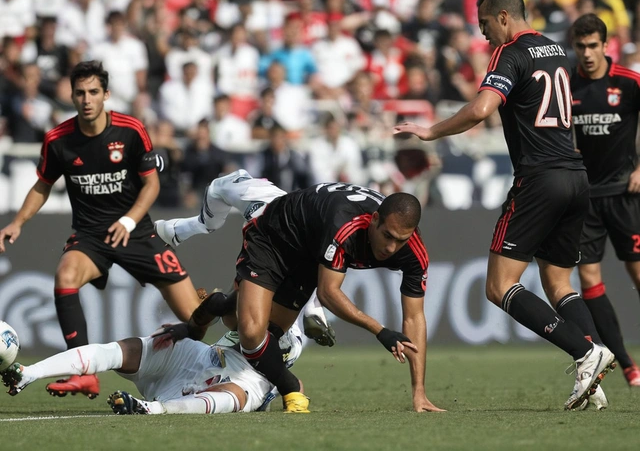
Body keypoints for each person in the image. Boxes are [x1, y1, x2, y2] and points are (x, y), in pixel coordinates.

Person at [393, 0, 615, 411]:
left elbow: (481, 110)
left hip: (540, 180)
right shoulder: (556, 51)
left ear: (503, 18)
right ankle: (594, 377)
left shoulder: (511, 52)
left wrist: (430, 131)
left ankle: (587, 353)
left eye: (485, 26)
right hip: (575, 177)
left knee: (499, 286)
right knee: (558, 283)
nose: (484, 37)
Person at [0, 60, 205, 399]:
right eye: (79, 92)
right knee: (66, 275)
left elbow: (150, 186)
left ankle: (228, 346)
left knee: (197, 320)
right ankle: (83, 373)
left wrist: (128, 220)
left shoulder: (131, 130)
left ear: (106, 94)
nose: (86, 99)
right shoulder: (58, 139)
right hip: (90, 236)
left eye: (93, 92)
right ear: (71, 95)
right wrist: (18, 222)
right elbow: (42, 185)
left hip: (137, 232)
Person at [159, 171, 444, 414]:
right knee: (249, 331)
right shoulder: (345, 225)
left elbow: (415, 319)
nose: (391, 248)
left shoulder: (414, 254)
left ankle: (220, 303)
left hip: (310, 254)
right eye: (387, 236)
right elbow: (329, 293)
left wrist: (419, 390)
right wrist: (380, 330)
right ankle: (289, 387)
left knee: (263, 334)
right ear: (374, 219)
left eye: (401, 240)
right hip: (276, 233)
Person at [154, 169, 335, 347]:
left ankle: (170, 232)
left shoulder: (293, 231)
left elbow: (312, 273)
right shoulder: (275, 231)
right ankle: (169, 232)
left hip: (272, 210)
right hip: (228, 192)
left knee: (211, 225)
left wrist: (313, 311)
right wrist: (313, 311)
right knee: (209, 223)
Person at [1, 323, 304, 415]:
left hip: (236, 381)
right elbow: (221, 306)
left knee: (237, 396)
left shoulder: (271, 379)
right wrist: (187, 327)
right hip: (197, 357)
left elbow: (297, 387)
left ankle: (150, 409)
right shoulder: (253, 311)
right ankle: (30, 373)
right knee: (122, 350)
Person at [570, 13, 640, 387]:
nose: (587, 53)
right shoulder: (567, 84)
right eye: (580, 46)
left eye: (593, 45)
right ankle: (628, 364)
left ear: (605, 45)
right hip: (588, 198)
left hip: (624, 194)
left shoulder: (628, 83)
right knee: (588, 279)